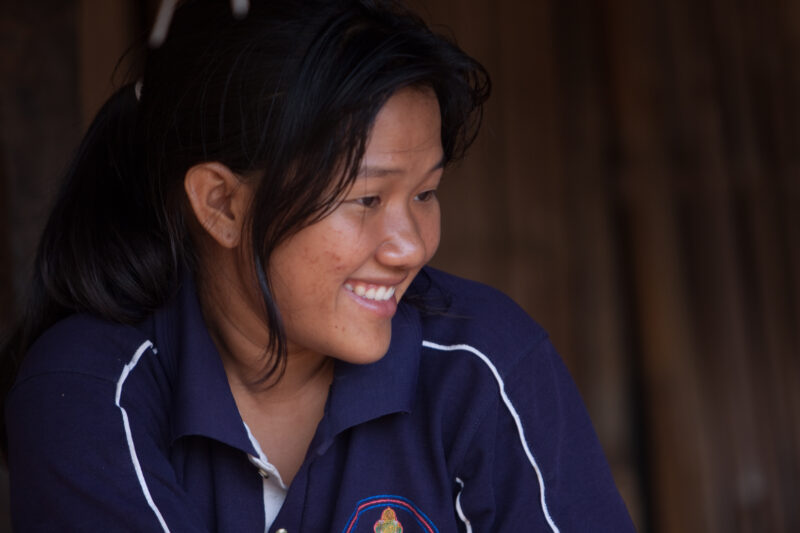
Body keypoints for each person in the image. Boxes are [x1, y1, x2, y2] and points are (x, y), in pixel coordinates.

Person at [0, 0, 636, 531]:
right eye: (365, 199)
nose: (410, 246)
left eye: (425, 193)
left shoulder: (484, 362)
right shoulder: (86, 392)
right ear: (221, 204)